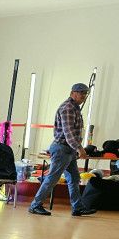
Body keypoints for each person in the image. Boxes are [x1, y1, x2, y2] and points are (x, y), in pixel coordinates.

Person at [28, 83, 97, 217]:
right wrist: (80, 148)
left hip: (68, 149)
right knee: (52, 178)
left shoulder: (75, 108)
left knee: (74, 178)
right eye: (81, 93)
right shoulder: (68, 108)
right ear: (72, 93)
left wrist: (76, 148)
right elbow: (69, 132)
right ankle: (35, 205)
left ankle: (77, 207)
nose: (83, 96)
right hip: (62, 149)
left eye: (85, 93)